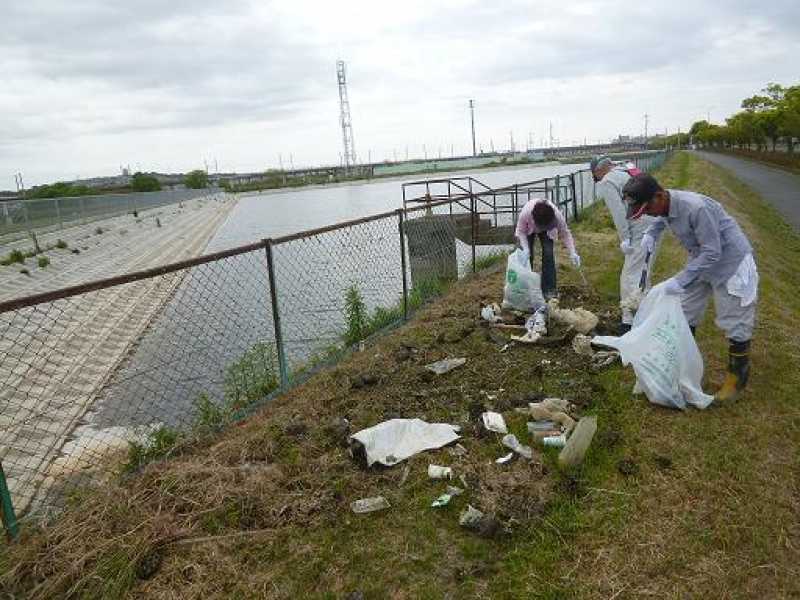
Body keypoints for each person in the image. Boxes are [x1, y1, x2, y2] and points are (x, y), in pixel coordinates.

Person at [622, 173, 758, 402]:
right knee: (684, 313)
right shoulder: (664, 205)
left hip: (730, 262)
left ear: (658, 196)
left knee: (735, 319)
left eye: (647, 209)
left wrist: (679, 280)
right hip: (701, 258)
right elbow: (662, 218)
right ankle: (681, 367)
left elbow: (713, 251)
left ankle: (737, 377)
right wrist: (651, 233)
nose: (647, 214)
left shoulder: (696, 208)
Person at [590, 155, 661, 334]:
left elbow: (619, 213)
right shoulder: (627, 170)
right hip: (655, 221)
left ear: (599, 170)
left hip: (638, 228)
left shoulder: (607, 181)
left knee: (629, 275)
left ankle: (629, 322)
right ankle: (646, 314)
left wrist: (625, 238)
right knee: (644, 272)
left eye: (595, 176)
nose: (597, 180)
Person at [514, 197, 581, 300]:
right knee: (527, 257)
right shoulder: (526, 214)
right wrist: (526, 249)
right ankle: (524, 288)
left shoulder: (556, 216)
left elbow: (565, 233)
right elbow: (520, 231)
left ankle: (549, 289)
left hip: (548, 229)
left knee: (548, 254)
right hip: (528, 228)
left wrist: (573, 252)